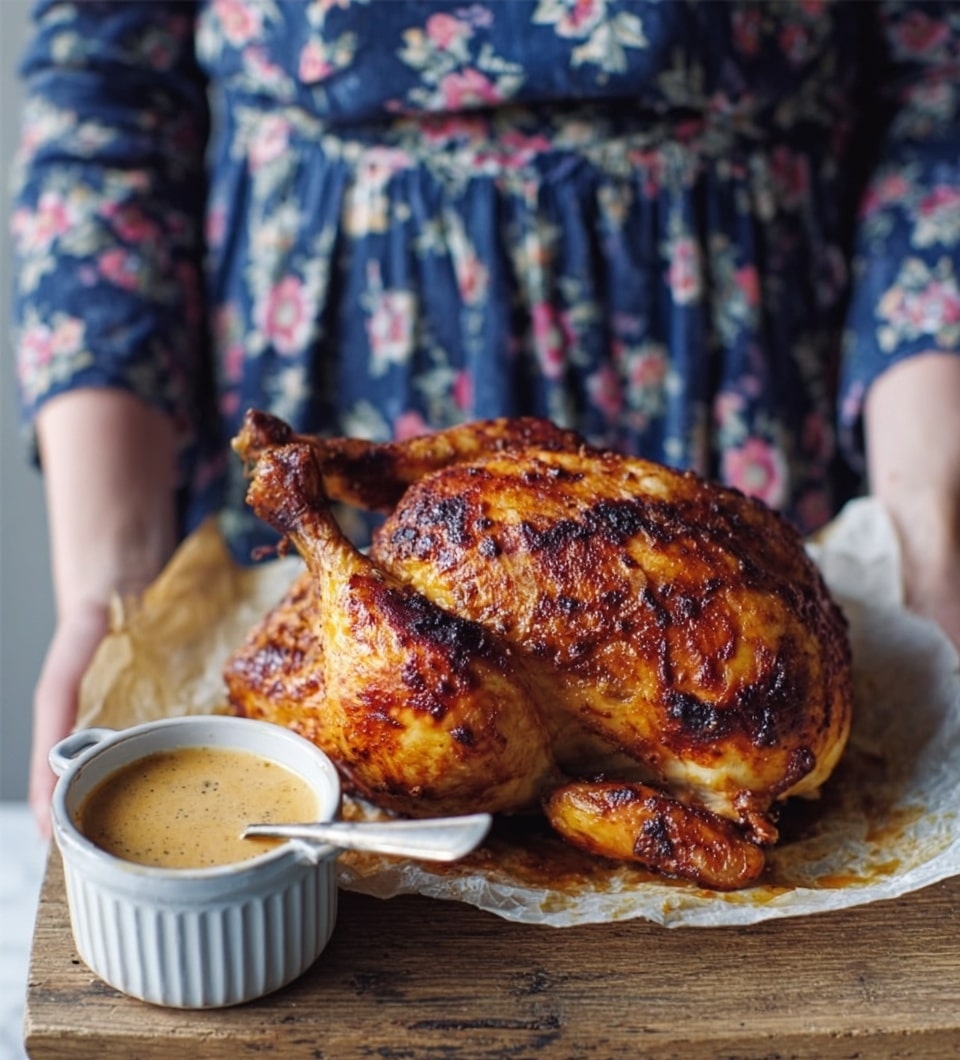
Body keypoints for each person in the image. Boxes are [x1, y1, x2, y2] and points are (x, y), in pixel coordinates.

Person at [11, 0, 960, 836]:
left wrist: (930, 524)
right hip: (341, 320)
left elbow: (940, 69)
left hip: (732, 347)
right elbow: (104, 78)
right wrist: (112, 582)